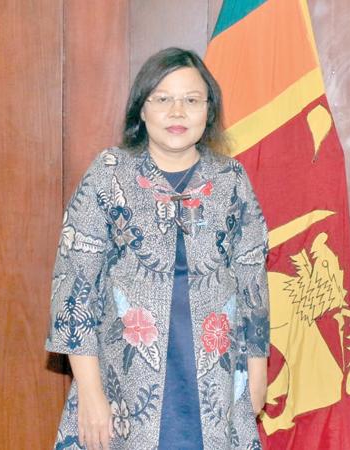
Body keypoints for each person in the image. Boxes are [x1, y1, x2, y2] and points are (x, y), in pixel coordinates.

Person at [46, 47, 270, 450]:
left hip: (216, 384)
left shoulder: (231, 179)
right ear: (142, 110)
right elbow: (74, 289)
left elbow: (253, 282)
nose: (177, 112)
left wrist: (257, 372)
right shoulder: (109, 174)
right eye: (162, 99)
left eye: (191, 100)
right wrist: (91, 392)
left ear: (209, 110)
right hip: (123, 383)